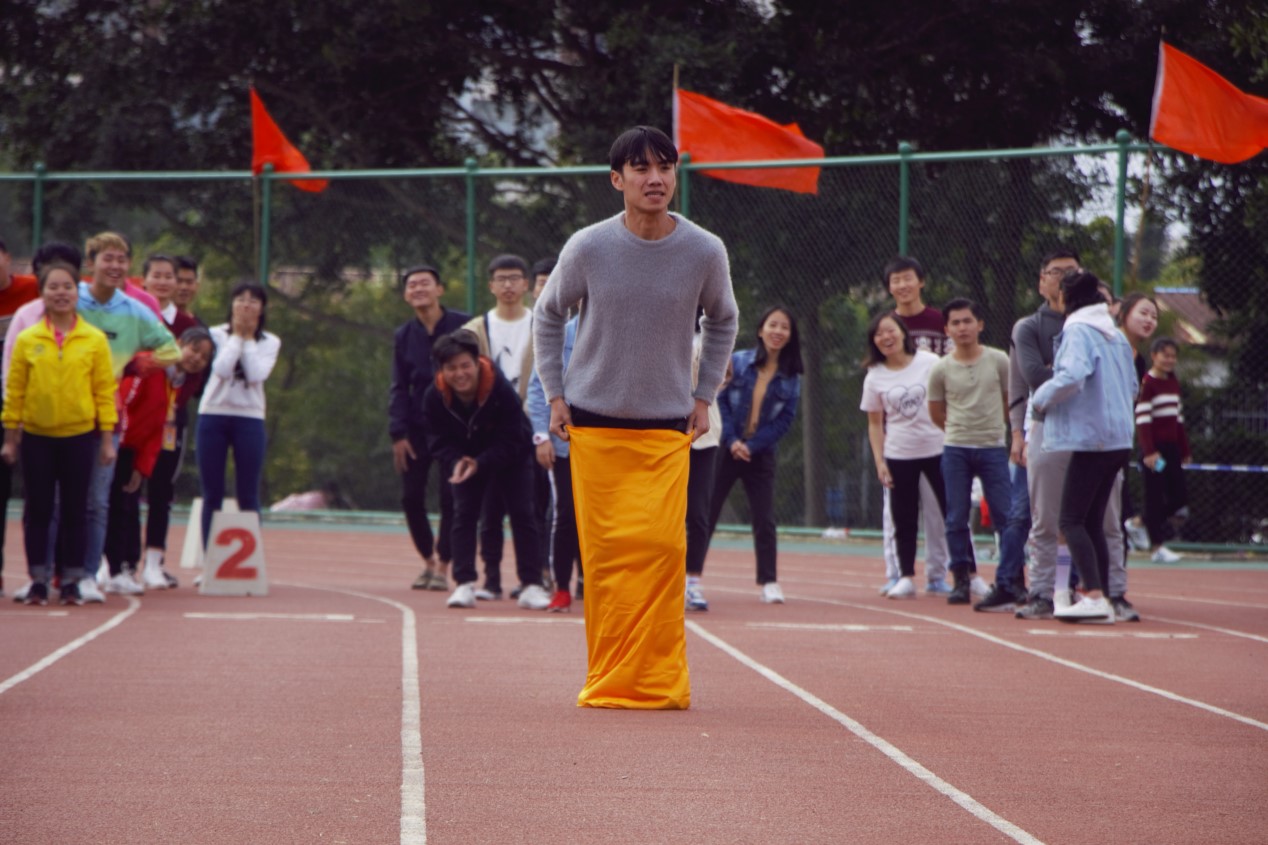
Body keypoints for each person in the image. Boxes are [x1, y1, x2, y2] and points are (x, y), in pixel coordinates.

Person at [534, 125, 738, 709]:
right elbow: (548, 315)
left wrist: (704, 395)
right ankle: (611, 679)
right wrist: (555, 394)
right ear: (616, 179)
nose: (655, 178)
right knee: (605, 563)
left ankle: (657, 680)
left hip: (666, 427)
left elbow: (723, 318)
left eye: (665, 167)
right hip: (593, 424)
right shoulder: (589, 246)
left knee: (663, 552)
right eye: (641, 168)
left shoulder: (704, 250)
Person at [2, 260, 117, 606]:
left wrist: (107, 439)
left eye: (68, 286)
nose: (61, 293)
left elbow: (104, 392)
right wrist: (10, 438)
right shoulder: (27, 339)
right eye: (53, 287)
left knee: (75, 510)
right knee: (38, 510)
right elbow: (15, 391)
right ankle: (38, 580)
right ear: (42, 293)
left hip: (79, 436)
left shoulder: (94, 339)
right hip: (36, 436)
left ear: (77, 293)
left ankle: (71, 581)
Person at [77, 233, 181, 602]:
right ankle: (53, 573)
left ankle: (90, 573)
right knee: (61, 499)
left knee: (99, 500)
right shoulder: (71, 299)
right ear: (91, 262)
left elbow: (171, 350)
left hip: (108, 415)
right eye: (108, 258)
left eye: (122, 259)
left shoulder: (135, 309)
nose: (115, 265)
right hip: (64, 411)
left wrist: (139, 363)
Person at [1031, 271, 1137, 622]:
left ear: (1066, 297)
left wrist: (1040, 399)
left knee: (1071, 520)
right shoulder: (1116, 335)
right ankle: (1103, 597)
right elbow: (1132, 386)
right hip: (1119, 438)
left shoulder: (1078, 330)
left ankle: (1092, 595)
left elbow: (1072, 376)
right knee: (1092, 521)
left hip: (1094, 438)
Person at [421, 330, 549, 611]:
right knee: (463, 514)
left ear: (477, 362)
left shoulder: (500, 389)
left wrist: (481, 462)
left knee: (523, 514)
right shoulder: (434, 397)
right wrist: (456, 461)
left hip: (512, 456)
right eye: (451, 368)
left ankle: (531, 584)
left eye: (465, 365)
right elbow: (435, 440)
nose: (460, 374)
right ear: (442, 370)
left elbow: (513, 437)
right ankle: (464, 583)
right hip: (464, 459)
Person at [104, 327, 213, 593]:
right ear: (179, 342)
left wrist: (141, 465)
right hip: (119, 444)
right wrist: (116, 444)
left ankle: (124, 566)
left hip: (137, 447)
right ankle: (102, 566)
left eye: (204, 357)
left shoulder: (177, 382)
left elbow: (156, 428)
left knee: (132, 501)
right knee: (108, 503)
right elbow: (124, 402)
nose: (197, 358)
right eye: (194, 349)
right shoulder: (149, 366)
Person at [705, 305, 802, 604]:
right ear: (761, 330)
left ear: (790, 335)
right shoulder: (738, 361)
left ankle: (769, 582)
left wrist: (752, 445)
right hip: (726, 449)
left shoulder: (791, 376)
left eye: (784, 327)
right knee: (706, 514)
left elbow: (785, 419)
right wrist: (732, 440)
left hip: (759, 454)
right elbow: (719, 400)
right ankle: (687, 577)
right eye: (772, 325)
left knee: (764, 519)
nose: (777, 331)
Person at [927, 298, 1018, 605]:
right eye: (955, 323)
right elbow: (936, 411)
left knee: (1006, 516)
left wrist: (995, 427)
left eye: (967, 321)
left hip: (992, 447)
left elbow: (1010, 401)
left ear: (980, 324)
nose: (962, 328)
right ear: (946, 329)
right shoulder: (940, 369)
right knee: (955, 517)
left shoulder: (999, 360)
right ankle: (961, 579)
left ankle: (1011, 579)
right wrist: (957, 430)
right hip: (956, 449)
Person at [388, 264, 470, 591]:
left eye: (425, 283)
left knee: (452, 496)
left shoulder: (464, 326)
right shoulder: (403, 336)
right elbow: (398, 386)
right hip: (416, 428)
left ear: (440, 289)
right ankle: (428, 561)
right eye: (412, 285)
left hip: (455, 426)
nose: (418, 289)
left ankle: (445, 565)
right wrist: (398, 433)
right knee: (410, 497)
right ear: (406, 295)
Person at [463, 254, 537, 600]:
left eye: (515, 278)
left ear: (526, 284)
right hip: (490, 431)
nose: (508, 285)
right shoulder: (476, 329)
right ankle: (490, 580)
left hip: (532, 426)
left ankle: (533, 579)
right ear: (491, 285)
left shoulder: (543, 324)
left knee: (529, 509)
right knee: (489, 510)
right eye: (501, 279)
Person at [1011, 249, 1078, 620]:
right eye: (1057, 271)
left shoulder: (1090, 325)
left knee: (1084, 519)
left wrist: (1064, 374)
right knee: (1043, 517)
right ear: (1042, 281)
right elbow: (1034, 376)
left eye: (1072, 271)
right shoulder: (1029, 327)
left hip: (1089, 431)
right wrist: (1016, 433)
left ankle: (1074, 589)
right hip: (1045, 426)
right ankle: (1040, 592)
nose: (1064, 277)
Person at [879, 256, 951, 596]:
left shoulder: (940, 322)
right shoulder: (885, 326)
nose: (902, 285)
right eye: (895, 280)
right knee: (896, 511)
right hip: (899, 435)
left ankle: (938, 574)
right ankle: (896, 573)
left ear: (921, 281)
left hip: (938, 432)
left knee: (940, 508)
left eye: (908, 278)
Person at [860, 313, 945, 599]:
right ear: (873, 341)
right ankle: (905, 576)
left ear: (903, 332)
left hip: (939, 449)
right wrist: (879, 461)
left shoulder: (930, 362)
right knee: (903, 518)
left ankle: (965, 574)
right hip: (899, 454)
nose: (886, 337)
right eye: (879, 334)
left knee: (951, 514)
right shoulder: (875, 375)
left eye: (890, 330)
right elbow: (874, 423)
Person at [135, 254, 203, 589]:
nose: (163, 282)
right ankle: (115, 561)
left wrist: (173, 402)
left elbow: (196, 371)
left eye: (169, 277)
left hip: (171, 421)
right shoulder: (133, 314)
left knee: (161, 488)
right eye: (156, 276)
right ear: (144, 279)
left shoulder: (190, 325)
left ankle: (153, 562)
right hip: (133, 415)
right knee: (125, 486)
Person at [196, 282, 280, 550]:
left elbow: (255, 375)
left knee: (248, 493)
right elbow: (221, 369)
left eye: (253, 301)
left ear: (262, 308)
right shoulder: (215, 334)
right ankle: (211, 559)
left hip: (250, 418)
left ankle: (249, 560)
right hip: (213, 414)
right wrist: (236, 337)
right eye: (240, 299)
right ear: (231, 305)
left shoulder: (270, 341)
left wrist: (248, 339)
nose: (246, 305)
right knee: (212, 493)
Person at [526, 314, 581, 612]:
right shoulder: (561, 335)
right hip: (565, 445)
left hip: (610, 446)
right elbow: (538, 389)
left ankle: (596, 583)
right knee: (567, 515)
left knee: (606, 516)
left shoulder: (621, 331)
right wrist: (541, 437)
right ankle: (561, 587)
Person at [0, 237, 40, 598]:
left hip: (25, 410)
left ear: (8, 259)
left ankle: (41, 572)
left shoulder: (33, 291)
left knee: (36, 494)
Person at [1136, 337, 1191, 563]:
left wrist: (1184, 450)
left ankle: (1139, 522)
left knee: (1179, 496)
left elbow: (1178, 419)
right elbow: (1143, 419)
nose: (1170, 360)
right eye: (1165, 355)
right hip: (1155, 452)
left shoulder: (1173, 382)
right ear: (1154, 356)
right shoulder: (1147, 383)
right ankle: (1157, 546)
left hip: (1171, 450)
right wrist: (1149, 451)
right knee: (1155, 496)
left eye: (1173, 356)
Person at [685, 313, 726, 612]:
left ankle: (692, 581)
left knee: (698, 513)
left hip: (704, 435)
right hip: (663, 433)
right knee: (661, 514)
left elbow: (723, 373)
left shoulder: (709, 334)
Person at [1117, 292, 1159, 552]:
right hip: (1091, 440)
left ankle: (1134, 525)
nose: (1149, 320)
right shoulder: (1108, 346)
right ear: (1123, 314)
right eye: (1143, 313)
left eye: (1154, 316)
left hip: (1120, 441)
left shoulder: (1140, 361)